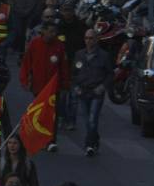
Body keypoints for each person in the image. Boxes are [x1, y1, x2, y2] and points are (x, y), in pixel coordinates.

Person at [20, 19, 69, 152]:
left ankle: (51, 141)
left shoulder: (59, 46)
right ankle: (40, 139)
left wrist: (65, 84)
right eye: (51, 31)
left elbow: (64, 67)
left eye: (55, 32)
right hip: (38, 87)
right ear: (44, 31)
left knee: (52, 114)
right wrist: (24, 80)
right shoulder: (35, 44)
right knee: (39, 113)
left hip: (53, 88)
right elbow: (26, 62)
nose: (53, 34)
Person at [71, 28, 113, 156]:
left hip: (96, 92)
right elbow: (73, 73)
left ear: (96, 39)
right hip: (83, 91)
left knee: (92, 119)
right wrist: (76, 87)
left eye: (91, 38)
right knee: (86, 120)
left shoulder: (104, 56)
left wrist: (102, 87)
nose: (88, 41)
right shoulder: (79, 54)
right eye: (86, 38)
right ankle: (95, 139)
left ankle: (89, 145)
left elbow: (110, 74)